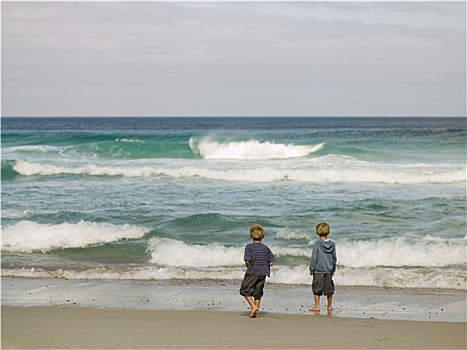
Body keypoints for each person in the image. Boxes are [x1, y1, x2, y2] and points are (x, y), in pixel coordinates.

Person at [239, 224, 276, 318]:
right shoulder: (265, 248)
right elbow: (271, 261)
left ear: (251, 235)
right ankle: (256, 312)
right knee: (257, 293)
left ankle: (253, 307)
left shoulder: (249, 247)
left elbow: (247, 260)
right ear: (262, 236)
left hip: (252, 272)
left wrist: (249, 267)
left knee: (244, 290)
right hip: (263, 273)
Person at [309, 222, 337, 315]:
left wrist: (311, 269)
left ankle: (317, 306)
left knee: (317, 288)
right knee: (329, 289)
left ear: (318, 232)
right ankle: (329, 306)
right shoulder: (332, 244)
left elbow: (314, 258)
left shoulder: (317, 244)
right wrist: (333, 269)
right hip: (328, 270)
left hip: (318, 270)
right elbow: (334, 258)